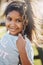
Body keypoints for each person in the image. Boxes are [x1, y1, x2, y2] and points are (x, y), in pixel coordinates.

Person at [0, 1, 34, 65]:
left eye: (18, 20)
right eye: (9, 19)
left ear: (25, 22)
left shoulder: (24, 43)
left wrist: (22, 50)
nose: (12, 24)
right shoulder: (7, 34)